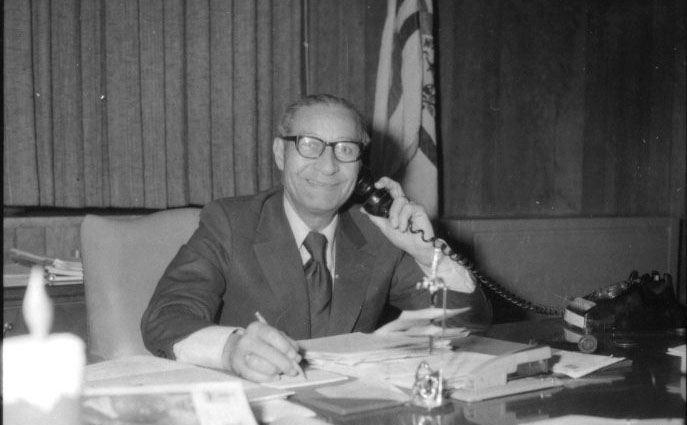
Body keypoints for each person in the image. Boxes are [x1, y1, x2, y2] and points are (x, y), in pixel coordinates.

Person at [141, 94, 491, 382]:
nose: (328, 166)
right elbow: (166, 316)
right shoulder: (231, 223)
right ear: (281, 153)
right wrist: (230, 349)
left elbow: (463, 326)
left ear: (362, 168)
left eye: (345, 149)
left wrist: (426, 253)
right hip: (258, 410)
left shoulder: (380, 233)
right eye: (310, 145)